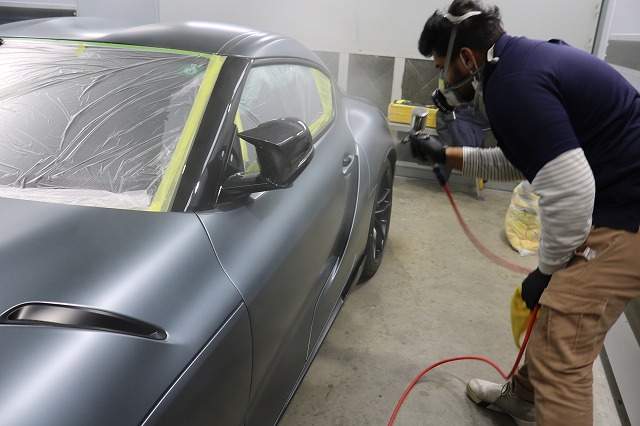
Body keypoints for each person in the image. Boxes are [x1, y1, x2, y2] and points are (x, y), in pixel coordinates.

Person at [411, 1, 640, 425]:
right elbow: (530, 160)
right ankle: (525, 397)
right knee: (555, 316)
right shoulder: (519, 64)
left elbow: (571, 189)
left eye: (444, 68)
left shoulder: (512, 86)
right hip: (619, 201)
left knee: (562, 352)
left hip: (626, 215)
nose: (445, 82)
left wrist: (546, 271)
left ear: (467, 58)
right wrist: (445, 154)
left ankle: (538, 394)